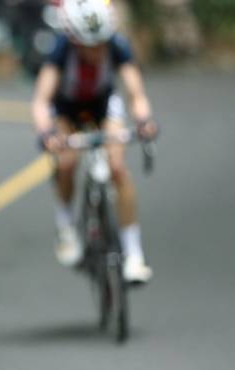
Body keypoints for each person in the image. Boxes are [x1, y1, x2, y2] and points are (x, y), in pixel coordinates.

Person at [31, 0, 158, 283]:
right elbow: (41, 101)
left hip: (103, 102)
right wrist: (47, 134)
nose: (98, 50)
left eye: (102, 43)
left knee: (118, 168)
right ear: (75, 40)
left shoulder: (116, 44)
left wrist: (144, 121)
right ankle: (65, 226)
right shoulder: (61, 49)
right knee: (66, 162)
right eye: (90, 45)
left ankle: (134, 254)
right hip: (66, 107)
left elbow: (135, 94)